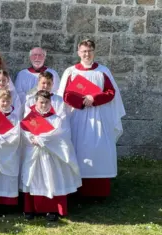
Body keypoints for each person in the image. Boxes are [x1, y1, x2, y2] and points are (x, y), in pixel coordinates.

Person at [57, 39, 125, 199]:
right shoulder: (71, 72)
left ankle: (98, 191)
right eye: (83, 51)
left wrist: (93, 98)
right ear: (78, 53)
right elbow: (65, 95)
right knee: (78, 148)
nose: (87, 54)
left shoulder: (103, 71)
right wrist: (81, 101)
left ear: (94, 52)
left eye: (89, 51)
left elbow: (110, 92)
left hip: (99, 117)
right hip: (77, 117)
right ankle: (76, 189)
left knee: (98, 150)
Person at [20, 90, 81, 221]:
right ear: (36, 102)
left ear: (50, 103)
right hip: (34, 153)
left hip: (50, 154)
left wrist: (41, 139)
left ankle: (51, 209)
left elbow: (59, 134)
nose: (43, 105)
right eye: (41, 102)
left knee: (51, 179)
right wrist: (31, 138)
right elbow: (24, 131)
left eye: (47, 102)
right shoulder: (30, 118)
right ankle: (30, 209)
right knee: (33, 179)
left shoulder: (56, 118)